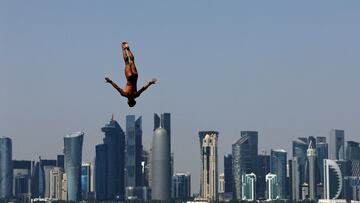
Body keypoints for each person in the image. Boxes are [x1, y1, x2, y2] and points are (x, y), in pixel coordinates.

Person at [105, 42, 156, 107]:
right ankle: (123, 49)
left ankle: (128, 49)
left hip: (135, 76)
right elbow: (117, 87)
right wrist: (110, 82)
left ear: (134, 101)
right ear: (128, 101)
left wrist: (150, 83)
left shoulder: (136, 95)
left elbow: (143, 88)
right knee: (126, 62)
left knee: (132, 61)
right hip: (129, 78)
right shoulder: (124, 94)